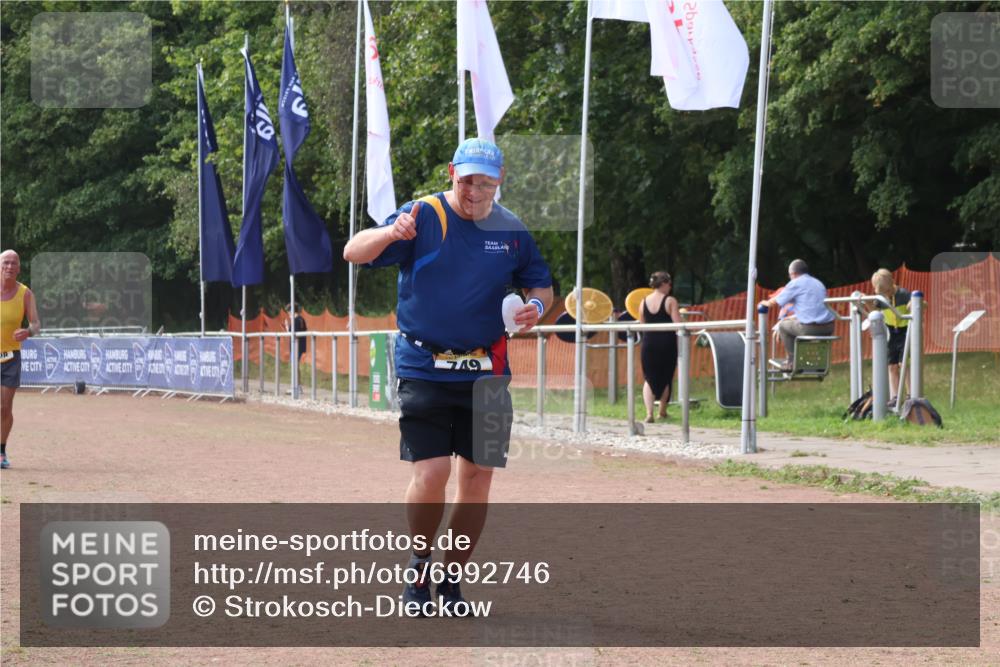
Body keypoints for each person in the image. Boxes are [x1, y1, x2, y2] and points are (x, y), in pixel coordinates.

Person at [343, 138, 553, 615]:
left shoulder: (512, 230)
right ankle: (418, 570)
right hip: (424, 365)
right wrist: (391, 234)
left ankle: (452, 580)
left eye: (486, 183)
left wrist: (536, 307)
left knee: (477, 480)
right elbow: (353, 252)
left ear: (499, 183)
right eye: (467, 181)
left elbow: (540, 282)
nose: (475, 192)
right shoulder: (423, 215)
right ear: (451, 174)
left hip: (489, 369)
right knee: (433, 473)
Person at [1, 250, 41, 470]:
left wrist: (28, 332)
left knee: (4, 408)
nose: (9, 266)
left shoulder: (25, 294)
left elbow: (36, 324)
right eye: (5, 262)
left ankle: (1, 452)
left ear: (18, 268)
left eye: (13, 263)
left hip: (10, 358)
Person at [758, 259, 835, 369]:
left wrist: (766, 303)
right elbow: (811, 311)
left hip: (811, 328)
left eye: (790, 276)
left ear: (793, 274)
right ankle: (811, 361)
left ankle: (792, 362)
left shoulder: (795, 283)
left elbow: (777, 301)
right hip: (828, 327)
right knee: (793, 324)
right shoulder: (818, 283)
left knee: (783, 326)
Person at [640, 271, 681, 422]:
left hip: (649, 343)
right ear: (663, 284)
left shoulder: (643, 301)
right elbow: (678, 325)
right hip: (667, 343)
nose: (670, 286)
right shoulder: (670, 301)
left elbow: (642, 324)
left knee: (649, 378)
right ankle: (662, 411)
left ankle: (649, 413)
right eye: (669, 283)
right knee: (666, 376)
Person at [867, 268, 910, 400]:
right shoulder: (881, 298)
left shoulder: (903, 294)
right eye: (883, 293)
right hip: (891, 333)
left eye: (888, 292)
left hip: (905, 331)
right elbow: (874, 310)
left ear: (893, 282)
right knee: (891, 366)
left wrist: (912, 305)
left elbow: (911, 304)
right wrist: (868, 303)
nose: (887, 295)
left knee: (903, 364)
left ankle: (910, 394)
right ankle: (895, 396)